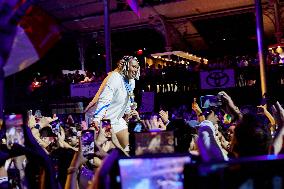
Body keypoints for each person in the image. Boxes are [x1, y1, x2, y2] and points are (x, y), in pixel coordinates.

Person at [84, 56, 140, 150]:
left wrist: (128, 112)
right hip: (100, 119)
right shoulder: (115, 77)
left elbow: (127, 98)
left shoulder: (132, 81)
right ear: (125, 67)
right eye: (133, 67)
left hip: (116, 120)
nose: (136, 70)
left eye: (137, 67)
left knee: (129, 147)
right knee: (88, 151)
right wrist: (97, 119)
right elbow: (104, 100)